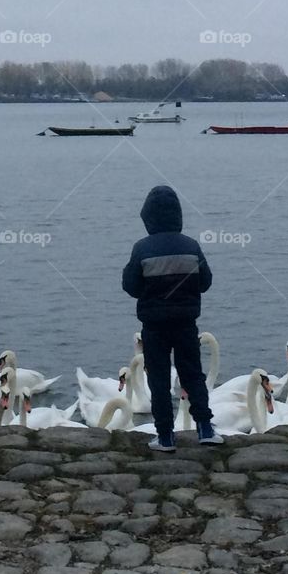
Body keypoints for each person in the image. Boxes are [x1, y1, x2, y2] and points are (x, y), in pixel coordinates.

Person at [121, 184, 222, 450]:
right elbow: (206, 282)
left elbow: (131, 286)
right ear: (178, 215)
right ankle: (205, 428)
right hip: (186, 323)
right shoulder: (191, 246)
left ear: (148, 217)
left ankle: (165, 435)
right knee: (192, 374)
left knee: (159, 378)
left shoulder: (141, 249)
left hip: (154, 326)